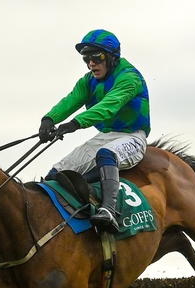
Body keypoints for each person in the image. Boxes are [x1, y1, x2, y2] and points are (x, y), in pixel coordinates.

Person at [38, 29, 150, 233]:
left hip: (133, 136)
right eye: (86, 58)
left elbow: (109, 106)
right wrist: (49, 119)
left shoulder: (129, 78)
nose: (91, 64)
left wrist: (75, 123)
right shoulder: (88, 81)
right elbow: (71, 100)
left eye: (97, 57)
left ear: (112, 58)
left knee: (106, 154)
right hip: (105, 136)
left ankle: (109, 210)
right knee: (56, 172)